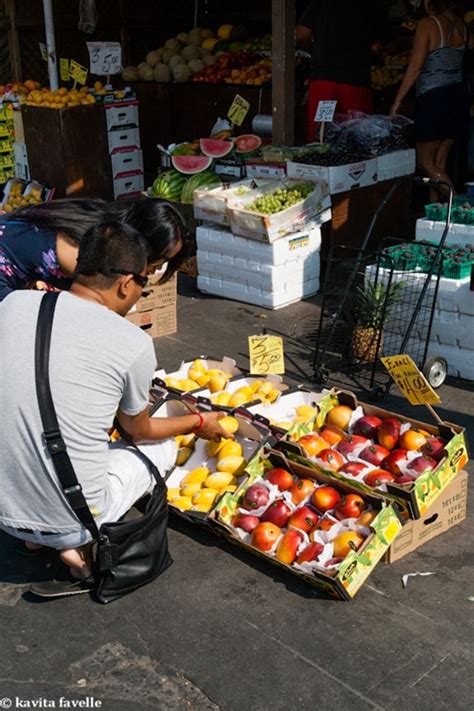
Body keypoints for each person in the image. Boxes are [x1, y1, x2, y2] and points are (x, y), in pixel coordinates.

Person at [0, 221, 229, 597]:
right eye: (143, 283)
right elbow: (138, 431)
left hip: (3, 512)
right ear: (126, 284)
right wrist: (198, 420)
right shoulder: (131, 341)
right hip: (71, 517)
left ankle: (38, 537)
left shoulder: (14, 303)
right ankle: (73, 541)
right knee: (160, 443)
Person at [0, 197, 190, 302]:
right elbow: (97, 311)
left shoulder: (98, 217)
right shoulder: (88, 252)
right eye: (158, 260)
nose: (156, 270)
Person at [390, 1, 472, 194]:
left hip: (434, 99)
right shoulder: (462, 26)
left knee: (424, 162)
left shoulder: (428, 24)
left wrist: (398, 100)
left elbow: (415, 66)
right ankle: (435, 214)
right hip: (457, 98)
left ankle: (456, 204)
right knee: (438, 164)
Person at [296, 0, 389, 141]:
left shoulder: (321, 3)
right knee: (357, 139)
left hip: (323, 80)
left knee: (320, 138)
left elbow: (302, 34)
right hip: (355, 81)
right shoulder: (371, 4)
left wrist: (315, 52)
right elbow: (382, 44)